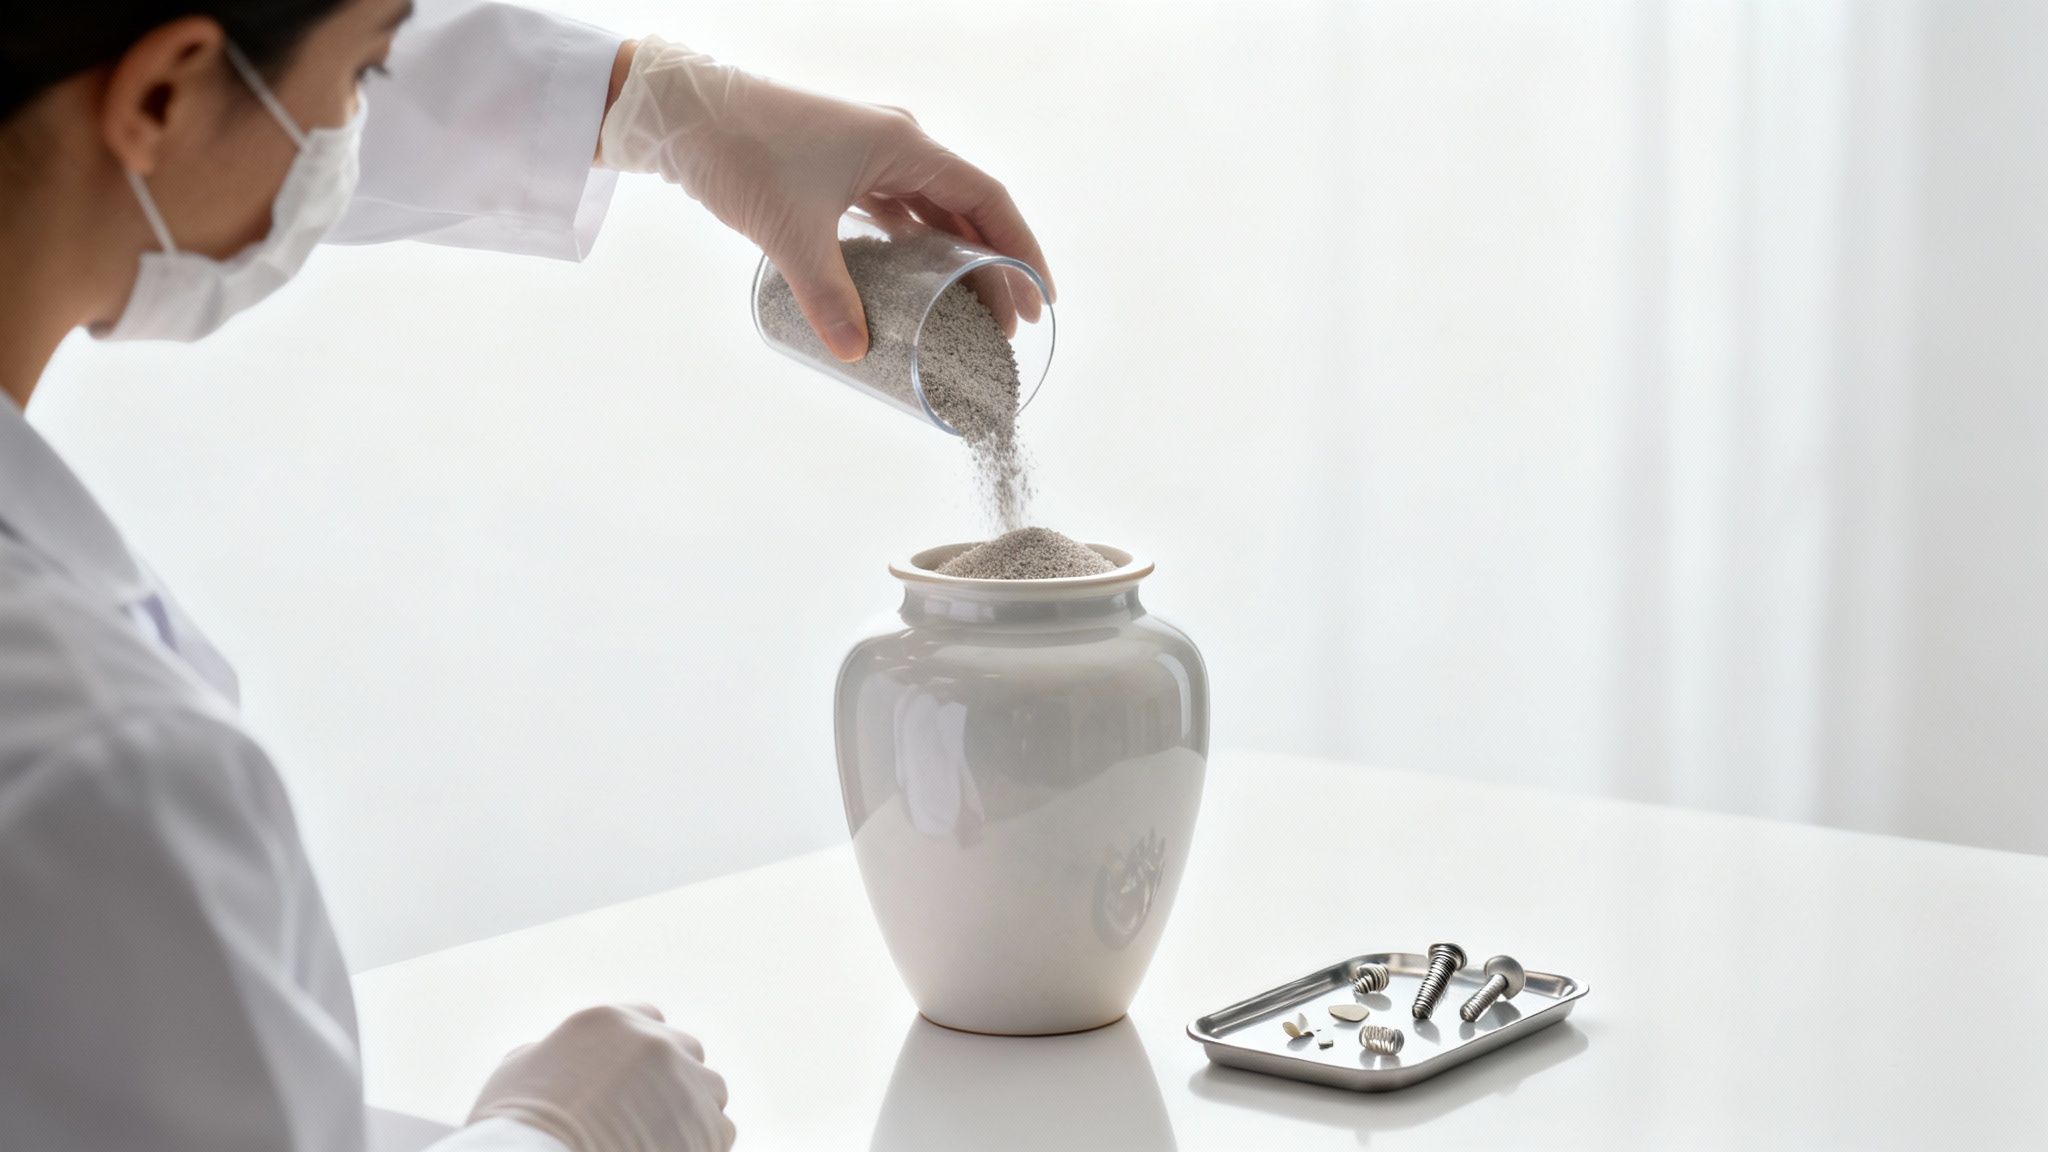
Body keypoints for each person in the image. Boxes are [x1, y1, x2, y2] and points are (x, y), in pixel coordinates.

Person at [0, 1, 1054, 1149]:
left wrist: (670, 107)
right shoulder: (85, 764)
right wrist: (554, 1133)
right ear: (160, 93)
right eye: (366, 69)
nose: (359, 120)